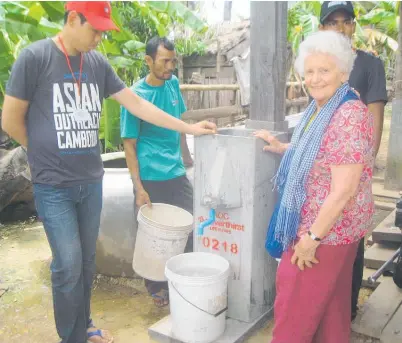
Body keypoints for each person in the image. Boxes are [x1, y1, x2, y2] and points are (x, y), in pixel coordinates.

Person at [1, 2, 216, 343]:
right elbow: (11, 120)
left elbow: (139, 105)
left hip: (90, 181)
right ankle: (70, 337)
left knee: (85, 262)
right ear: (73, 18)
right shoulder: (35, 58)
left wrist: (189, 129)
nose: (100, 37)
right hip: (53, 185)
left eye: (104, 31)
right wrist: (42, 154)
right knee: (67, 263)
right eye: (95, 29)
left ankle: (84, 324)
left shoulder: (97, 64)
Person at [255, 30, 374, 343]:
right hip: (338, 230)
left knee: (293, 310)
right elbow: (320, 152)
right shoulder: (322, 107)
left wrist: (311, 238)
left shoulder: (347, 113)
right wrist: (284, 148)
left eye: (325, 70)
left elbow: (344, 188)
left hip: (325, 231)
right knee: (331, 310)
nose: (316, 79)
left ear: (343, 72)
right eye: (310, 71)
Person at [319, 0, 388, 321]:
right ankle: (326, 304)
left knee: (352, 235)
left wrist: (364, 169)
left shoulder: (369, 65)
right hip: (322, 169)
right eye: (333, 23)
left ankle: (347, 307)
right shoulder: (320, 65)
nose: (341, 28)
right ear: (322, 28)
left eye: (347, 22)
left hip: (351, 168)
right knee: (324, 232)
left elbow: (374, 117)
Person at [120, 36, 194, 307]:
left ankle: (183, 278)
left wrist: (187, 162)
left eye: (173, 60)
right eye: (164, 61)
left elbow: (179, 124)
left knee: (190, 226)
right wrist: (138, 187)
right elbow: (129, 143)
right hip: (150, 175)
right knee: (153, 234)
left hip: (175, 171)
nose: (170, 66)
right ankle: (155, 286)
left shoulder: (173, 84)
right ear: (148, 60)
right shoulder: (135, 95)